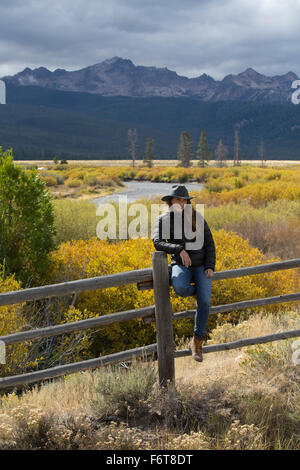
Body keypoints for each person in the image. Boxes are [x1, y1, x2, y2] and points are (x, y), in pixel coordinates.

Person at [152, 184, 216, 362]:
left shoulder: (197, 217)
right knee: (180, 287)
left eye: (184, 200)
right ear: (170, 201)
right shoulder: (163, 219)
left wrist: (210, 265)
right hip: (181, 264)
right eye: (177, 199)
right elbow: (157, 242)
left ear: (187, 202)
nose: (181, 203)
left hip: (202, 266)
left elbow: (210, 243)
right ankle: (196, 291)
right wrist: (178, 249)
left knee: (205, 302)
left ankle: (196, 341)